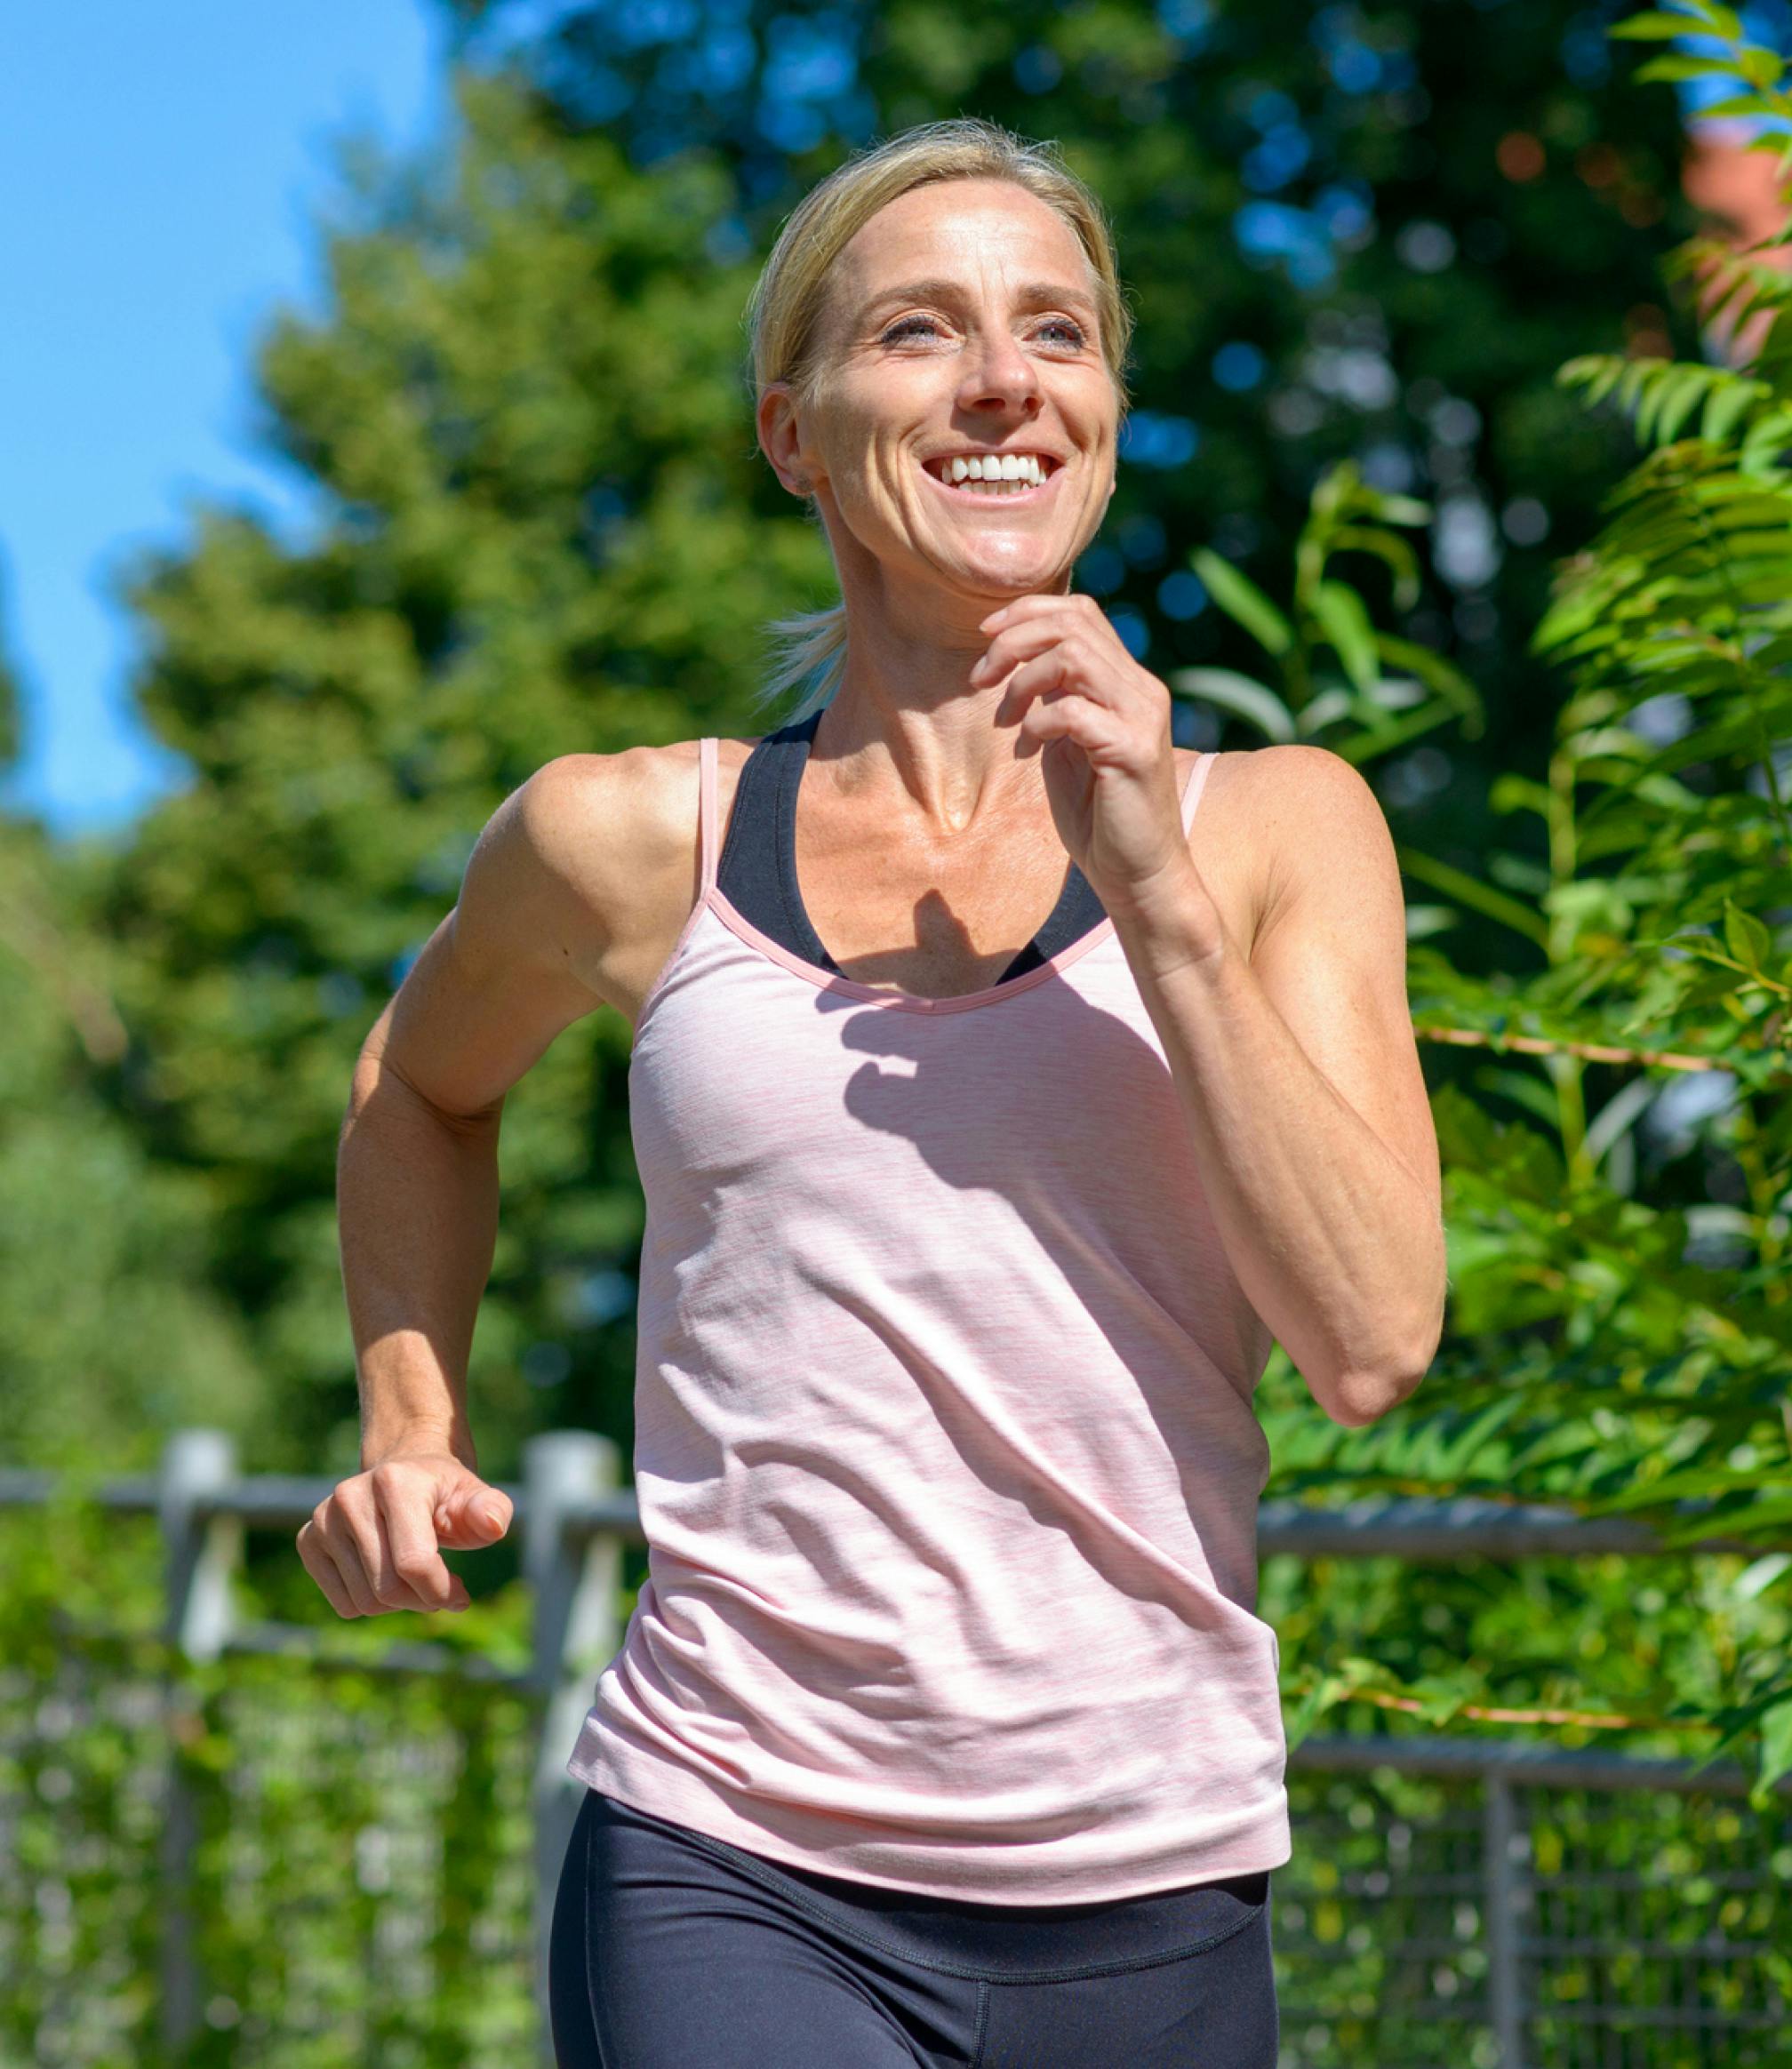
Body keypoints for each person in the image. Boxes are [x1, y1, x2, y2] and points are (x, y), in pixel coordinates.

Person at [301, 116, 1445, 2068]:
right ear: (794, 432)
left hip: (1156, 1871)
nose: (1004, 381)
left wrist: (1155, 898)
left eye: (1058, 335)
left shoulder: (1273, 834)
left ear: (1103, 410)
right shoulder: (624, 840)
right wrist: (412, 1417)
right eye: (921, 331)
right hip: (728, 1853)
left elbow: (1369, 1340)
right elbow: (417, 1083)